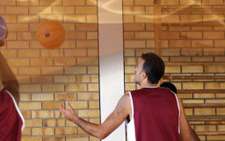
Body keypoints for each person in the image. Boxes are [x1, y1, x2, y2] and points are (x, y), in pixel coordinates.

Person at [60, 52, 193, 141]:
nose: (135, 69)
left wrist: (75, 119)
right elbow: (188, 138)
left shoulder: (130, 100)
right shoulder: (174, 98)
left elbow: (101, 132)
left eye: (137, 67)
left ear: (144, 75)